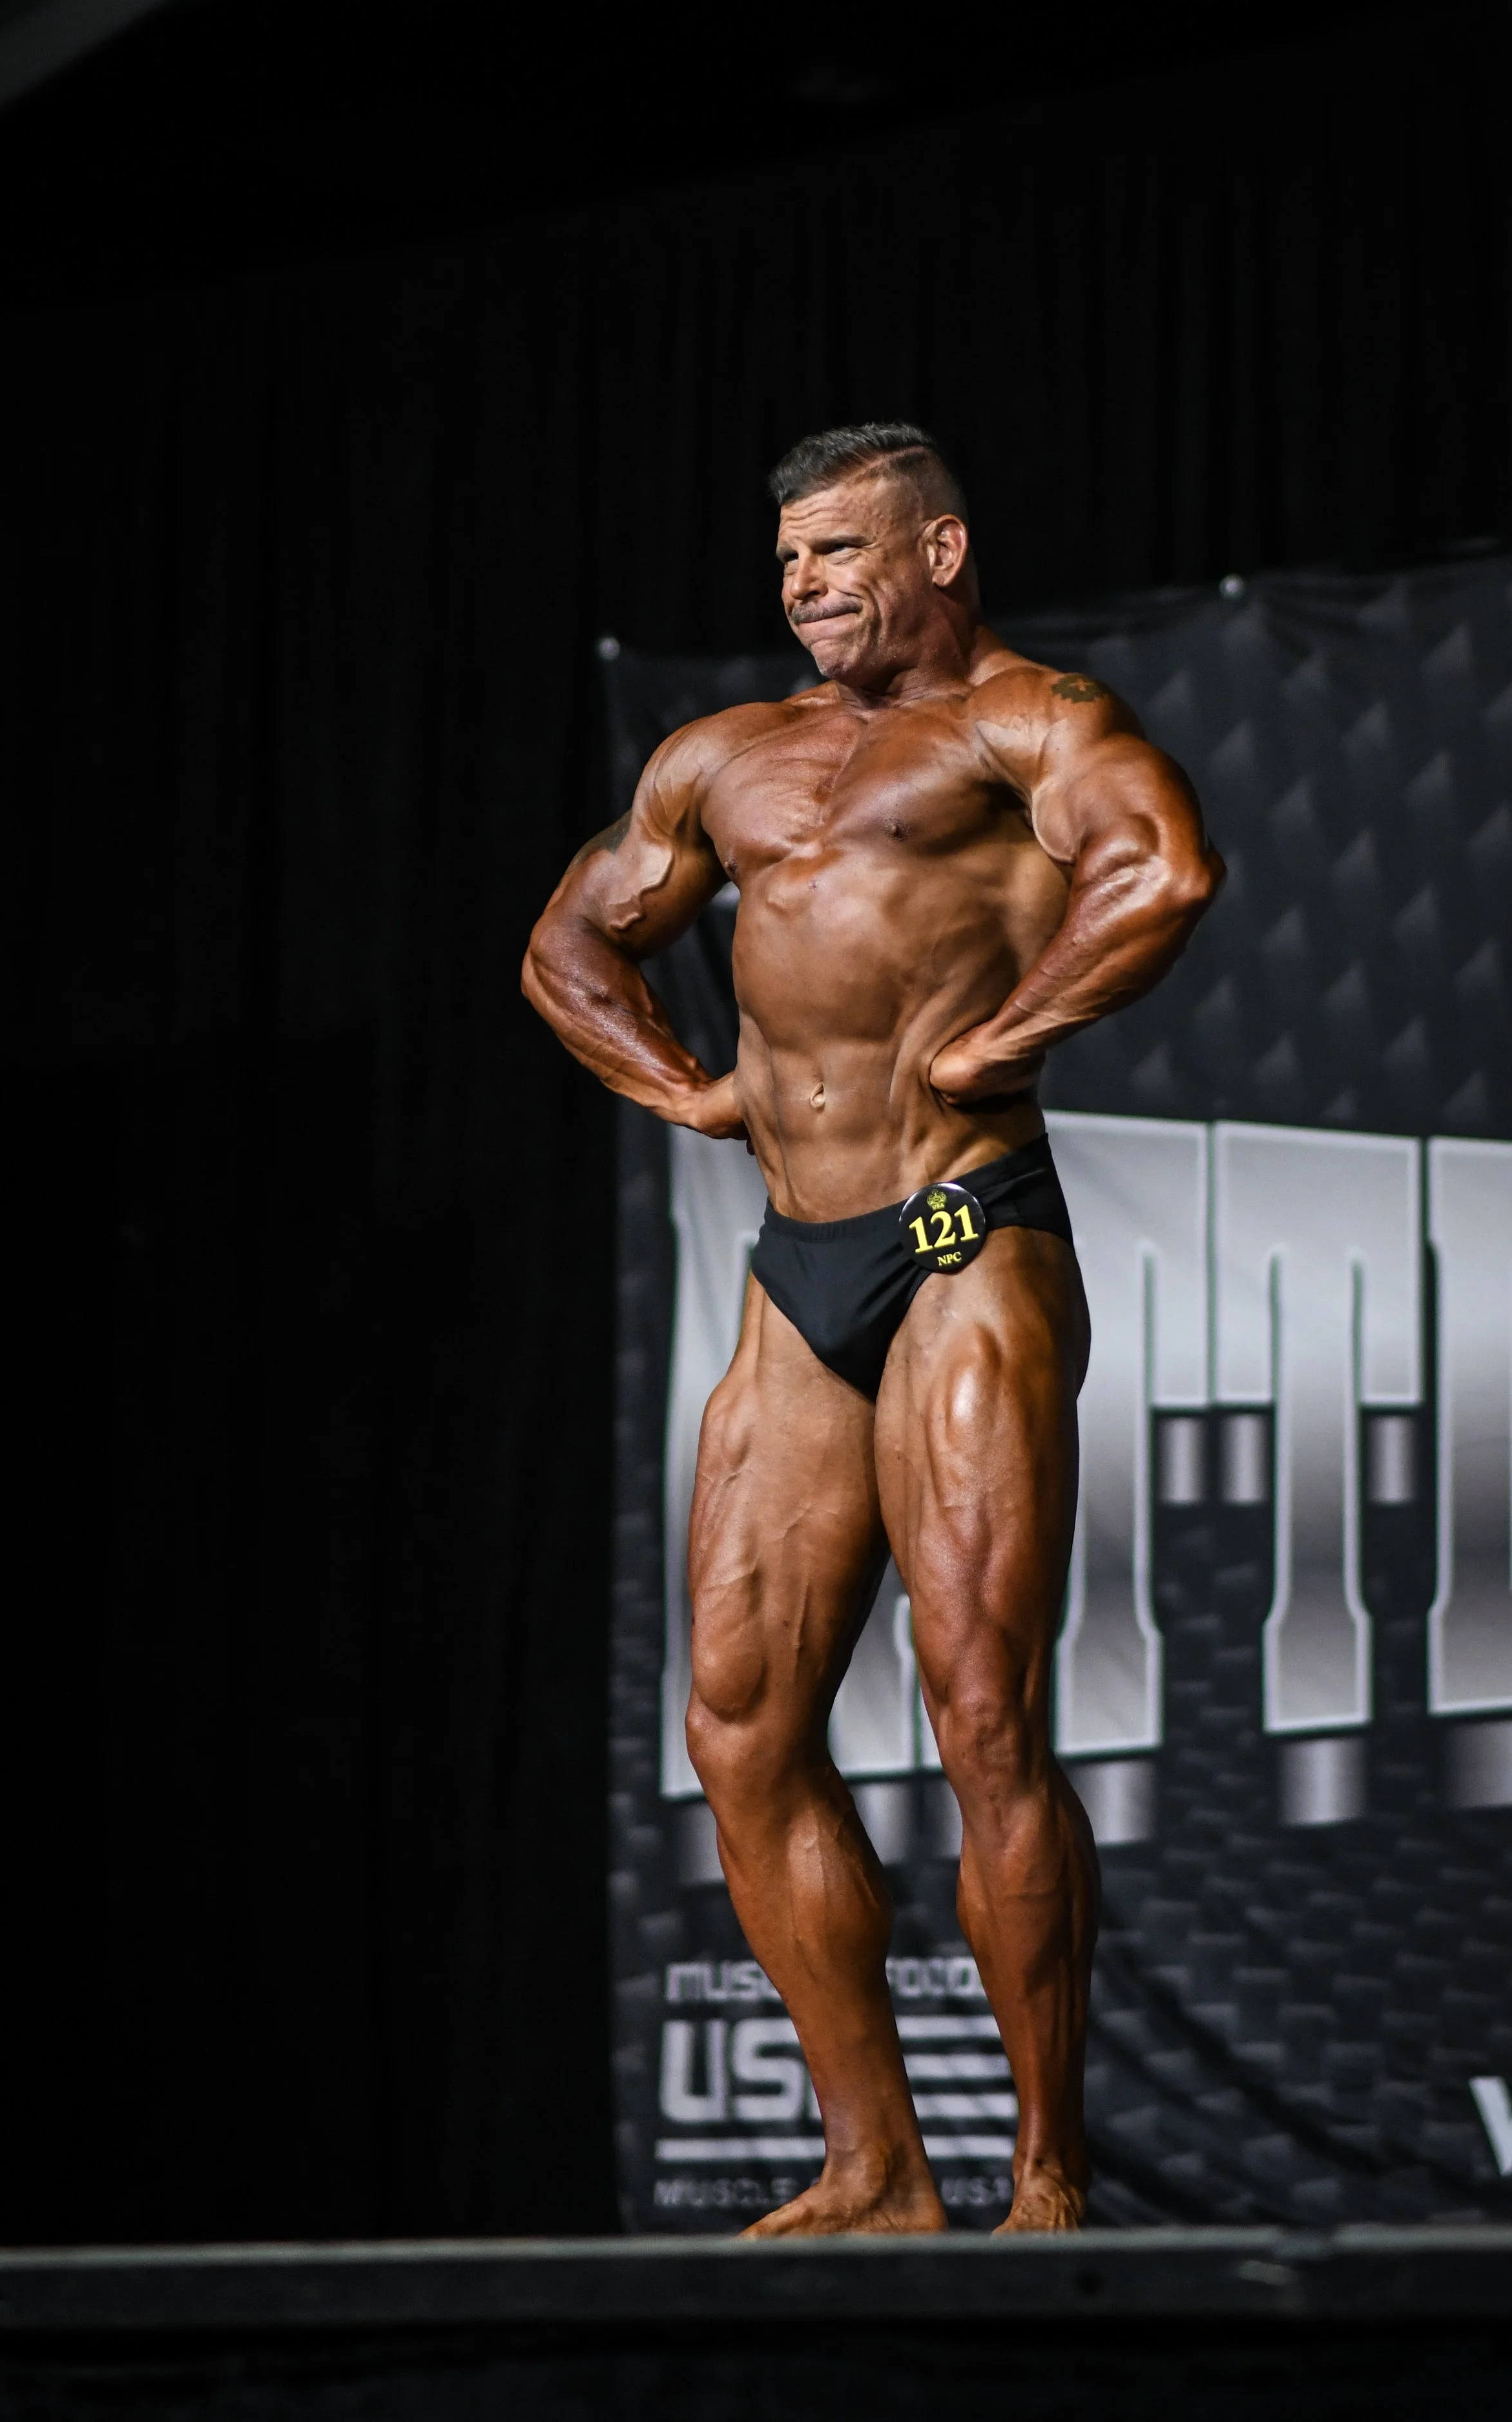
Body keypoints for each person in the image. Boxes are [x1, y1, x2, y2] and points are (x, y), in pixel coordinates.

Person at [523, 423, 1222, 2234]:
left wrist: (1012, 1034)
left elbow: (1158, 867)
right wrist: (683, 1087)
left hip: (961, 1238)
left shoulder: (1025, 721)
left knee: (980, 1710)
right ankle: (875, 2166)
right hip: (794, 1268)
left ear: (938, 551)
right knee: (738, 1729)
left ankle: (1047, 2173)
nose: (806, 585)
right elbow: (567, 945)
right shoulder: (725, 756)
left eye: (839, 551)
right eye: (787, 561)